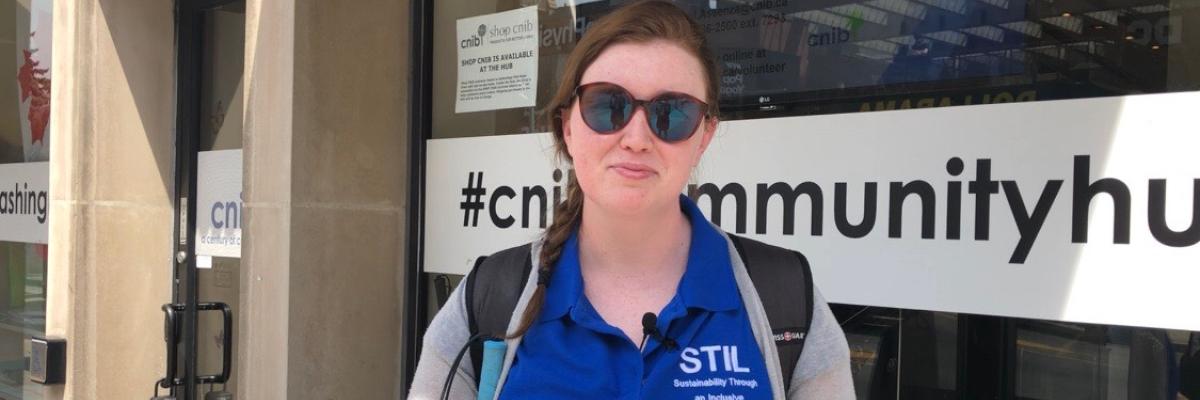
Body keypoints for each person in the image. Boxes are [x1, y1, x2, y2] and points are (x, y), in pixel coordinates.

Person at [410, 1, 853, 399]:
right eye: (608, 106)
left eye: (672, 112)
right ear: (568, 126)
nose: (637, 139)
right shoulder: (491, 297)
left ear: (704, 136)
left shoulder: (786, 302)